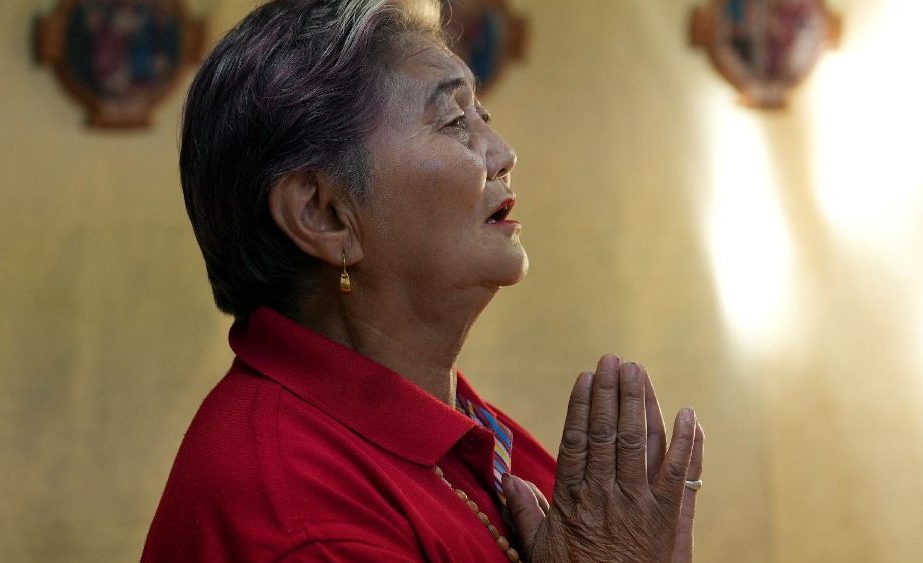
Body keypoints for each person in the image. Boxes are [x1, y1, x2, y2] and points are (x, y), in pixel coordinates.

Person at [142, 0, 705, 561]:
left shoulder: (448, 418)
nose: (504, 154)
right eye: (454, 122)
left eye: (482, 115)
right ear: (324, 213)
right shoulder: (295, 513)